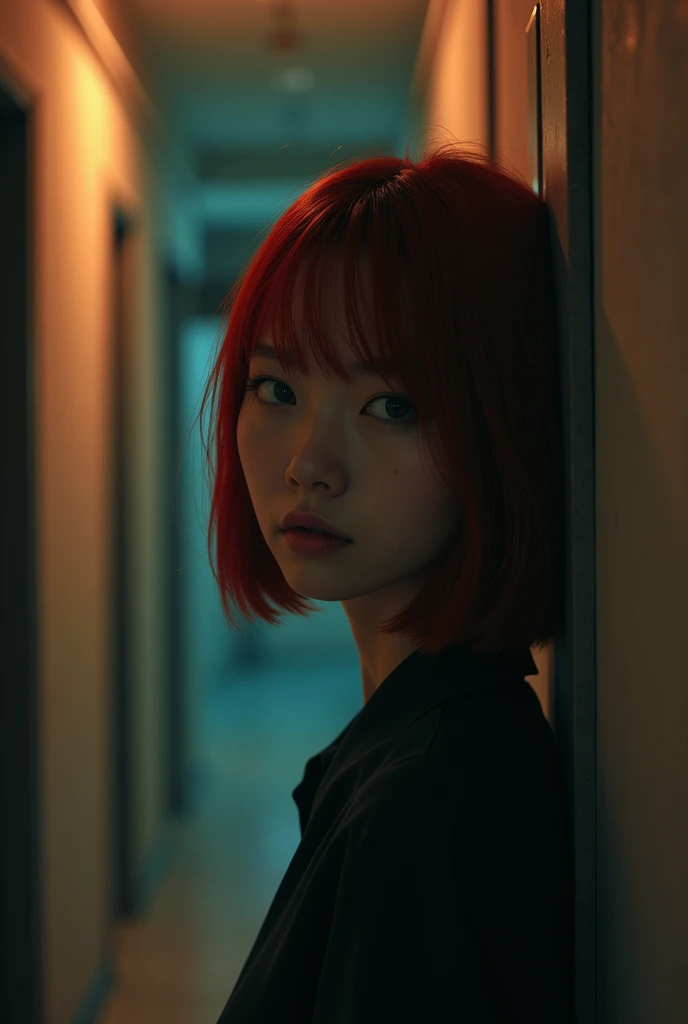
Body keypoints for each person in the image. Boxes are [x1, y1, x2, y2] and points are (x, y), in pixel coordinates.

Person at [199, 141, 575, 1023]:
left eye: (390, 405)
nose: (309, 465)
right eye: (276, 387)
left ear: (500, 425)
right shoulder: (425, 746)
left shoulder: (425, 811)